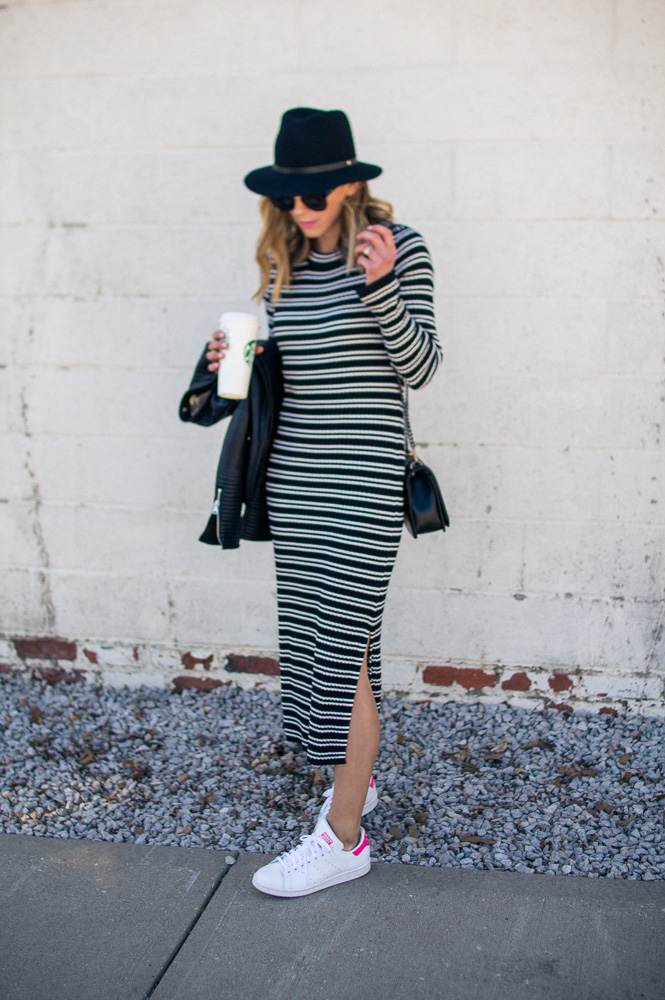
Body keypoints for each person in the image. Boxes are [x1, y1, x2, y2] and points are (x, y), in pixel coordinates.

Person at [205, 107, 442, 897]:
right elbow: (288, 380)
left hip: (362, 478)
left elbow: (420, 367)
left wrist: (379, 287)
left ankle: (343, 839)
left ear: (348, 185)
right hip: (295, 481)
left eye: (312, 196)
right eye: (286, 197)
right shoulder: (286, 261)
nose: (298, 210)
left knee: (338, 657)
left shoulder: (398, 247)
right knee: (335, 645)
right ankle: (355, 782)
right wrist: (226, 365)